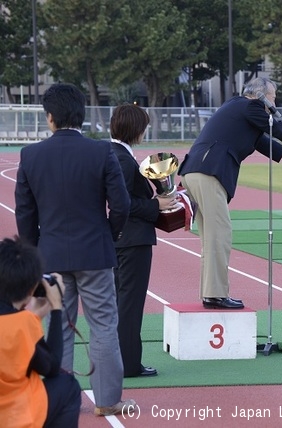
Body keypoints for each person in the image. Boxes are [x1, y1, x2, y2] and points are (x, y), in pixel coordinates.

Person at [14, 83, 135, 416]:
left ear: (50, 117)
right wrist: (108, 233)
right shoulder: (101, 152)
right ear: (81, 116)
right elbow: (121, 204)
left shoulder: (31, 155)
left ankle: (60, 399)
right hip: (96, 252)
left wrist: (34, 252)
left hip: (51, 255)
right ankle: (108, 401)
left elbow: (25, 212)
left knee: (59, 327)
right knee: (103, 326)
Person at [178, 77, 282, 310]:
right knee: (220, 234)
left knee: (212, 237)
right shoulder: (251, 107)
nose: (275, 100)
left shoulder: (239, 108)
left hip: (197, 170)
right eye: (273, 95)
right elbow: (280, 129)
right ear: (260, 95)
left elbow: (262, 141)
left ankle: (212, 294)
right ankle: (216, 295)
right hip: (208, 172)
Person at [110, 104, 177, 378]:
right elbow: (123, 205)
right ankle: (129, 364)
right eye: (145, 125)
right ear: (136, 128)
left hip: (122, 239)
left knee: (120, 303)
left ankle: (120, 361)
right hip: (132, 240)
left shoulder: (115, 154)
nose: (146, 130)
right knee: (130, 304)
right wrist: (157, 204)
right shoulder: (123, 160)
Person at [0, 236, 81, 427]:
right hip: (12, 415)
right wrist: (54, 307)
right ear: (31, 289)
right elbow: (51, 367)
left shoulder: (22, 321)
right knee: (68, 386)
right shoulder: (22, 323)